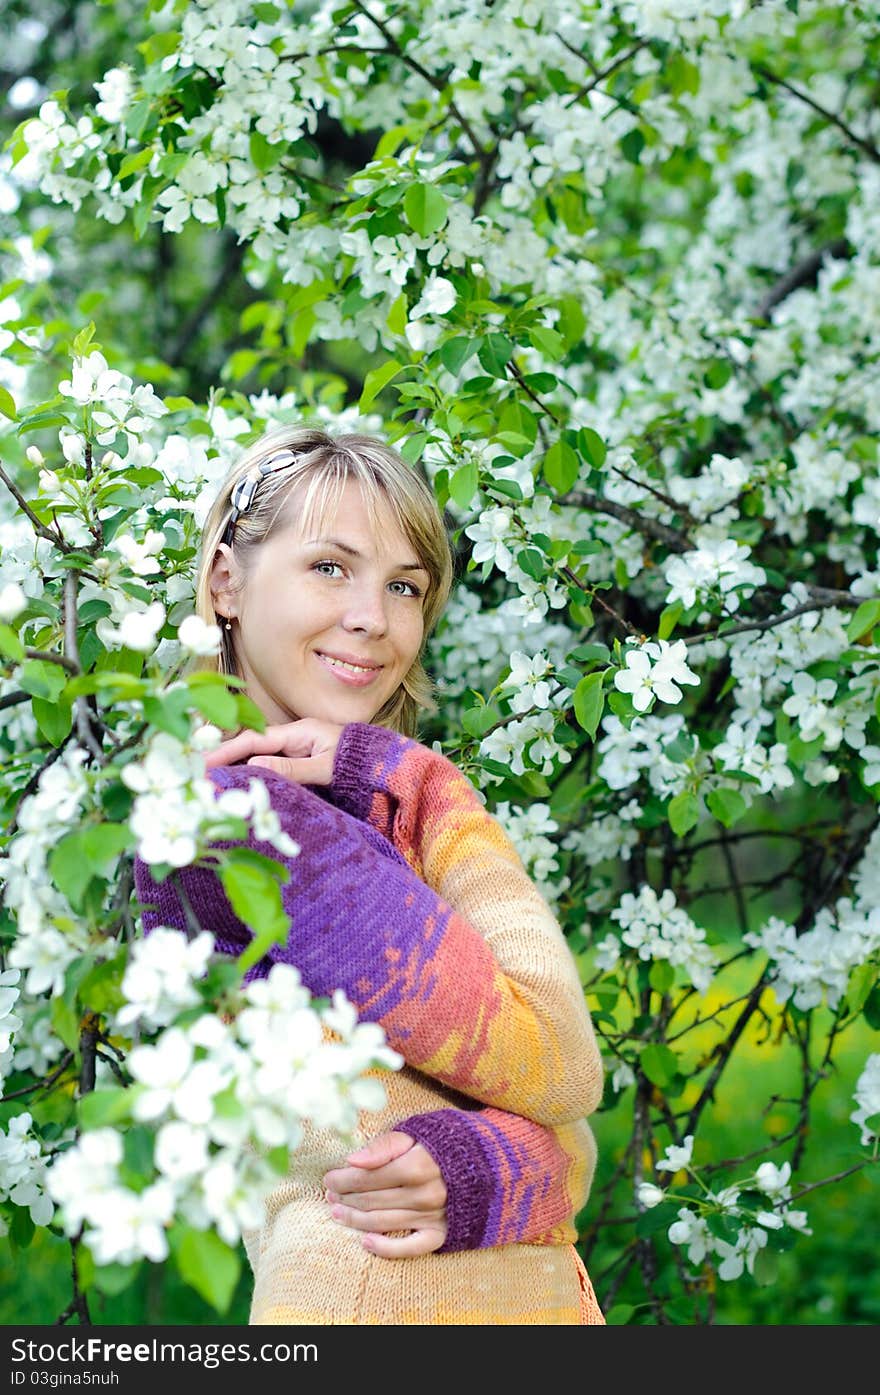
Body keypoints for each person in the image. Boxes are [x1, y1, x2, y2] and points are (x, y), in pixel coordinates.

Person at [133, 426, 605, 1325]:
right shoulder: (251, 824)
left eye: (404, 585)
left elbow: (570, 1142)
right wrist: (421, 778)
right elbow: (564, 1061)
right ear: (226, 581)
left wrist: (504, 1163)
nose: (373, 618)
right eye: (330, 567)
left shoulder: (284, 808)